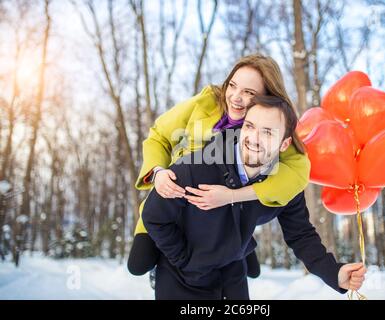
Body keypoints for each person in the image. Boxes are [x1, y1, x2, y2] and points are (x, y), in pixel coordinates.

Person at [142, 95, 366, 299]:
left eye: (268, 132)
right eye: (250, 126)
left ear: (285, 144)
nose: (254, 138)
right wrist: (184, 258)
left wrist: (334, 273)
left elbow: (301, 235)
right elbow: (153, 216)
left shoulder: (284, 184)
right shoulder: (196, 167)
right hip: (182, 276)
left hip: (232, 269)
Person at [127, 54, 311, 281]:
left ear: (266, 97)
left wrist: (237, 195)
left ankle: (234, 246)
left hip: (226, 212)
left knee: (249, 271)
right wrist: (158, 172)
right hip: (179, 200)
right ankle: (166, 268)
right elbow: (158, 135)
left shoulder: (266, 127)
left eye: (249, 92)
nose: (235, 97)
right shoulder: (206, 103)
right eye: (233, 86)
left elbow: (299, 169)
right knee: (138, 263)